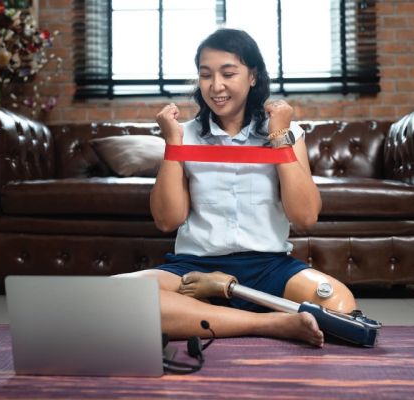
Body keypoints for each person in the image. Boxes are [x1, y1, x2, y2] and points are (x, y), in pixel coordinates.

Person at [122, 28, 356, 347]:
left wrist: (278, 137)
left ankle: (210, 313)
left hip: (269, 266)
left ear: (253, 77)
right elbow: (168, 220)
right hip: (195, 270)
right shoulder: (183, 134)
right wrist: (172, 143)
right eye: (206, 75)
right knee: (121, 297)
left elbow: (305, 216)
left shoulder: (287, 132)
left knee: (340, 305)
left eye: (228, 73)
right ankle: (271, 323)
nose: (216, 86)